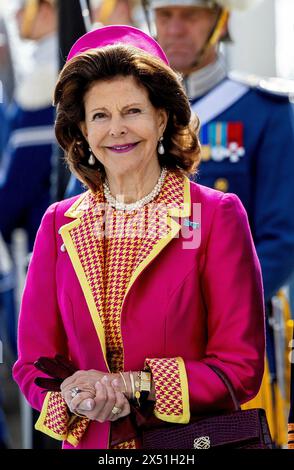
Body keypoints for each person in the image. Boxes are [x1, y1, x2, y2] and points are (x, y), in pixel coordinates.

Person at [13, 25, 265, 449]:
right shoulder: (57, 224)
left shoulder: (216, 216)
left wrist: (134, 386)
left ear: (161, 118)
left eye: (133, 111)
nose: (117, 129)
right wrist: (75, 396)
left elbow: (238, 369)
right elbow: (33, 365)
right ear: (83, 132)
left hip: (186, 445)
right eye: (100, 116)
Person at [147, 0, 294, 446]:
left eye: (190, 15)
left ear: (219, 20)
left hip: (230, 339)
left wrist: (208, 311)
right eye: (165, 15)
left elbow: (281, 237)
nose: (175, 28)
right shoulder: (125, 113)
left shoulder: (264, 111)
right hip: (141, 340)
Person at [0, 0, 57, 252]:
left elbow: (20, 181)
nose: (16, 16)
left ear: (45, 9)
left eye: (23, 7)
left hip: (44, 239)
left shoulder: (45, 78)